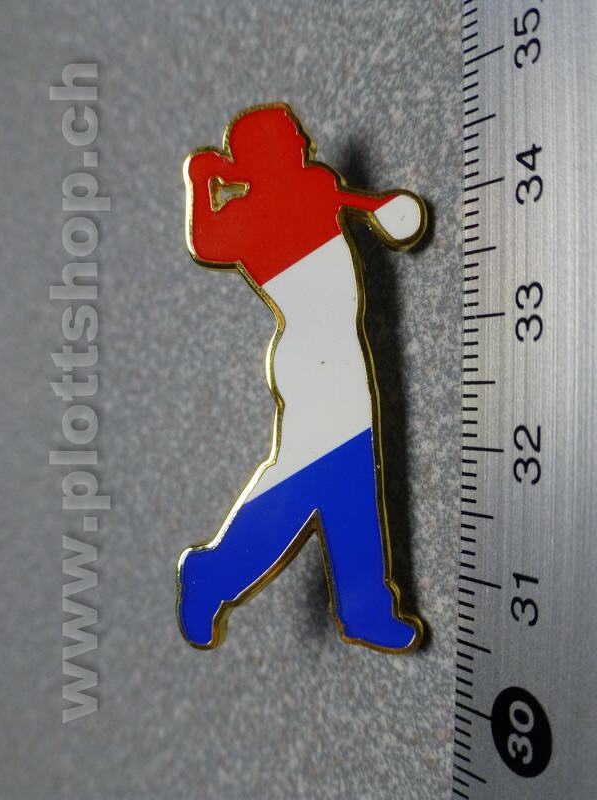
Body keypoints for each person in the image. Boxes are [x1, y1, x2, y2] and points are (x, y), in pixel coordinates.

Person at [177, 103, 426, 652]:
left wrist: (211, 178)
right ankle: (213, 574)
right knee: (310, 482)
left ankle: (364, 607)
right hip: (313, 361)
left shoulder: (313, 188)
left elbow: (349, 205)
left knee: (348, 480)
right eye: (290, 139)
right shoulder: (259, 212)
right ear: (269, 156)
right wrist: (200, 178)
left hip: (342, 356)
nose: (304, 143)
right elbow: (207, 241)